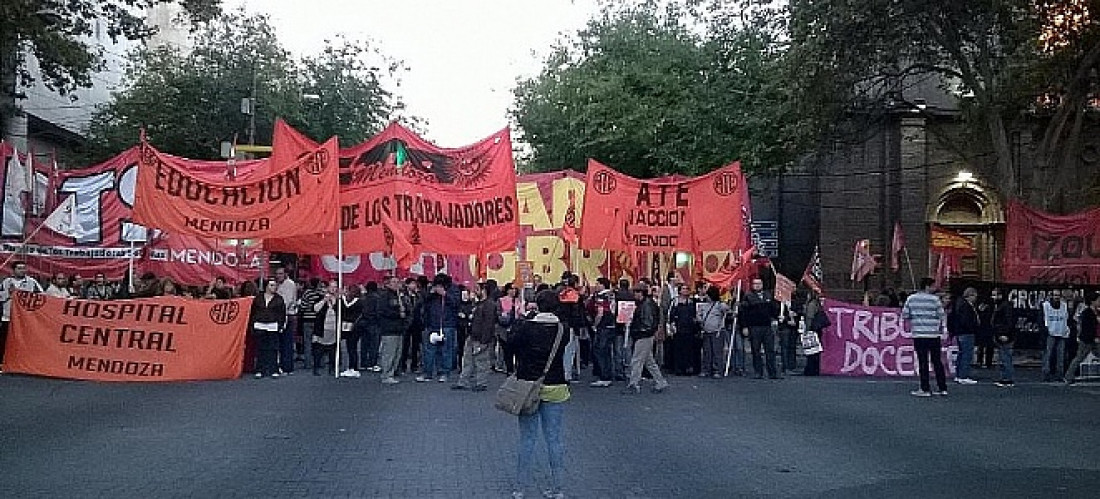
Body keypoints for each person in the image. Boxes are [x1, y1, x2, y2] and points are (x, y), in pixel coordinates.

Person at [510, 290, 569, 499]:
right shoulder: (563, 329)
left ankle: (520, 488)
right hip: (555, 386)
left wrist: (526, 318)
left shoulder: (527, 327)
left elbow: (512, 344)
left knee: (527, 438)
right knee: (554, 439)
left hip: (528, 386)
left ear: (537, 305)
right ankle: (558, 487)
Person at [902, 278, 948, 397]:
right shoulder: (935, 299)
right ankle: (942, 388)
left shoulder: (911, 299)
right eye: (933, 286)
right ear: (927, 286)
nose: (935, 288)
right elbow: (941, 315)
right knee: (937, 361)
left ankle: (925, 389)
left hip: (919, 334)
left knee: (923, 362)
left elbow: (905, 315)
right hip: (933, 334)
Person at [623, 285, 669, 394]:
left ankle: (634, 384)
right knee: (649, 361)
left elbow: (647, 323)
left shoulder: (645, 305)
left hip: (643, 335)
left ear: (640, 293)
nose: (634, 295)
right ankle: (660, 381)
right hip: (646, 335)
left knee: (637, 360)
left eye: (636, 292)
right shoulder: (648, 303)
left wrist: (638, 331)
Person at [454, 281, 500, 391]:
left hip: (481, 337)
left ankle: (481, 383)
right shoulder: (479, 303)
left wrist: (484, 341)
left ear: (484, 290)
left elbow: (489, 324)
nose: (475, 291)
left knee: (481, 361)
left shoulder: (489, 305)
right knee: (467, 359)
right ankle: (463, 381)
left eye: (477, 289)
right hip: (472, 335)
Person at [0, 261, 43, 371]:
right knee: (4, 341)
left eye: (24, 268)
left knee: (24, 341)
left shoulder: (32, 282)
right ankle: (2, 363)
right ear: (13, 270)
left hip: (25, 318)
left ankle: (23, 364)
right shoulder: (6, 282)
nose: (22, 270)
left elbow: (42, 296)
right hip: (8, 317)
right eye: (19, 268)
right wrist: (8, 293)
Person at [418, 273, 460, 383]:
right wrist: (430, 293)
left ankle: (444, 372)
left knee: (446, 350)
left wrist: (445, 294)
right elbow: (422, 302)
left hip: (447, 324)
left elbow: (456, 303)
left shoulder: (453, 289)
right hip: (432, 324)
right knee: (429, 350)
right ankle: (427, 372)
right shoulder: (431, 290)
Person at [740, 278, 780, 379]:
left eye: (759, 283)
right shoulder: (748, 297)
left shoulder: (768, 295)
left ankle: (772, 372)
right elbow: (743, 313)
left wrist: (776, 316)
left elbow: (773, 309)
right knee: (756, 350)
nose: (757, 285)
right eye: (755, 284)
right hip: (754, 327)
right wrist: (744, 326)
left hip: (767, 326)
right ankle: (758, 372)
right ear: (752, 285)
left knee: (770, 350)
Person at [250, 278, 287, 378]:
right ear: (266, 286)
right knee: (260, 348)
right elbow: (253, 312)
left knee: (273, 349)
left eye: (275, 285)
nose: (274, 287)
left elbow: (282, 313)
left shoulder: (279, 298)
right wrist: (252, 325)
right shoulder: (258, 298)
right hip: (259, 325)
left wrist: (281, 325)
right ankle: (259, 370)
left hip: (273, 326)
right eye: (271, 285)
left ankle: (273, 369)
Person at [377, 276, 410, 384]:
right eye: (394, 282)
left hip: (399, 329)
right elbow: (382, 311)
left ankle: (393, 371)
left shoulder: (400, 296)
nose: (396, 284)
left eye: (398, 282)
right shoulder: (384, 296)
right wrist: (397, 314)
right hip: (389, 329)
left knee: (397, 353)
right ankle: (386, 374)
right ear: (388, 284)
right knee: (389, 353)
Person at [1065, 292, 1100, 386]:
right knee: (1079, 357)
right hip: (1087, 340)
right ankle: (1069, 376)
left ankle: (1069, 376)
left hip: (1094, 339)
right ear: (1093, 301)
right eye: (1098, 300)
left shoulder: (1096, 311)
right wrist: (1093, 337)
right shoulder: (1087, 313)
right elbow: (1087, 328)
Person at [588, 277, 617, 387]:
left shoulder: (601, 297)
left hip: (603, 326)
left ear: (602, 285)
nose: (596, 285)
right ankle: (608, 374)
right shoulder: (612, 295)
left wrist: (595, 325)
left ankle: (604, 376)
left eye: (597, 283)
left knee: (599, 350)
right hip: (612, 324)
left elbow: (600, 313)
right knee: (607, 351)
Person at [697, 286, 731, 378]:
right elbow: (699, 315)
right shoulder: (703, 305)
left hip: (717, 331)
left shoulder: (720, 305)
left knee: (717, 352)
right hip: (706, 331)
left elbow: (728, 310)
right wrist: (699, 319)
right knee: (707, 351)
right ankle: (706, 369)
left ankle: (717, 370)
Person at [948, 287, 980, 385]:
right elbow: (966, 321)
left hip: (961, 333)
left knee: (961, 354)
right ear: (970, 295)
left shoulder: (959, 304)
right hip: (966, 333)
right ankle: (963, 376)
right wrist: (972, 327)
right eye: (975, 296)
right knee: (967, 355)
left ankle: (959, 375)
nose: (976, 298)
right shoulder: (965, 306)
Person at [667, 283, 699, 376]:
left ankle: (688, 368)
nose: (686, 291)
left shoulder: (691, 302)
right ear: (680, 291)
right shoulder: (675, 302)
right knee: (678, 350)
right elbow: (670, 315)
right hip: (678, 329)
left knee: (688, 350)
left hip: (689, 329)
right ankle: (678, 368)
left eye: (687, 289)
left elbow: (695, 315)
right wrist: (672, 326)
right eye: (684, 289)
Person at [273, 267, 299, 375]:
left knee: (287, 343)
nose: (278, 276)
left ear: (285, 274)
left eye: (280, 273)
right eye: (277, 274)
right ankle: (283, 365)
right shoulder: (279, 285)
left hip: (288, 316)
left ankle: (287, 367)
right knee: (282, 343)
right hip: (281, 316)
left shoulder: (289, 284)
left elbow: (287, 301)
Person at [311, 282, 340, 376]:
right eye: (332, 286)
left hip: (334, 328)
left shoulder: (338, 300)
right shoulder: (320, 297)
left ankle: (332, 368)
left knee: (333, 349)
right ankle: (316, 367)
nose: (333, 289)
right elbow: (315, 309)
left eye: (335, 287)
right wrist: (324, 300)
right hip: (322, 327)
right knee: (319, 349)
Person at [1041, 291, 1071, 382]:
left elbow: (1067, 318)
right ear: (1051, 296)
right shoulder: (1045, 306)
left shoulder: (1064, 305)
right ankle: (1046, 374)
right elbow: (1042, 318)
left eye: (1058, 295)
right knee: (1048, 354)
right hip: (1050, 332)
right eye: (1055, 295)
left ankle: (1059, 375)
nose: (1056, 297)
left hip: (1061, 332)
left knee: (1060, 355)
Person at [990, 288, 1016, 387]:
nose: (993, 297)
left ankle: (1008, 379)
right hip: (1000, 335)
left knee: (1006, 357)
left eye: (995, 295)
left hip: (1005, 336)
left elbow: (1009, 322)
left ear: (1000, 295)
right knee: (1003, 357)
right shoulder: (1000, 306)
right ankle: (1004, 377)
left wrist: (1005, 334)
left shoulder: (1006, 306)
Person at [298, 278, 325, 370]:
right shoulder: (321, 294)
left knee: (308, 343)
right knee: (319, 342)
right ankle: (320, 362)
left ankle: (308, 364)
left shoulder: (307, 293)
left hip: (308, 319)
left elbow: (303, 306)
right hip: (318, 320)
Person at [338, 284, 364, 377]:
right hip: (351, 326)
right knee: (351, 348)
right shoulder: (360, 302)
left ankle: (352, 367)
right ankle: (352, 367)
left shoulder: (346, 302)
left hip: (350, 326)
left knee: (350, 348)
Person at [802, 293, 830, 376]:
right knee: (816, 351)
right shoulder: (817, 304)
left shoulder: (811, 304)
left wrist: (807, 329)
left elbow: (809, 317)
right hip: (817, 329)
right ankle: (815, 369)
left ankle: (811, 370)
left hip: (812, 330)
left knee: (811, 350)